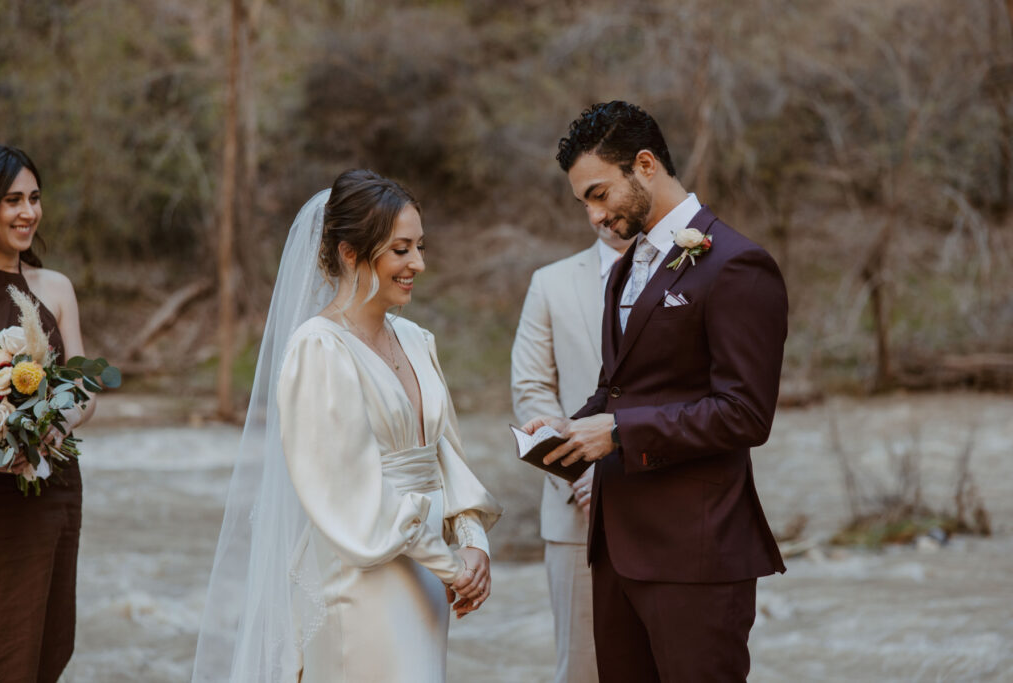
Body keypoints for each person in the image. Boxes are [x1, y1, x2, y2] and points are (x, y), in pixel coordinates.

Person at [193, 169, 501, 683]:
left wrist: (472, 542)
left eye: (419, 247)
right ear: (349, 253)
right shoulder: (319, 348)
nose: (418, 264)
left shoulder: (417, 340)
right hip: (361, 578)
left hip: (429, 577)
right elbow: (349, 489)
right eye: (400, 250)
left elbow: (446, 455)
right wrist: (454, 567)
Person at [523, 101, 788, 682]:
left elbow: (746, 414)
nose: (593, 216)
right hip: (617, 550)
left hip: (695, 553)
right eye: (583, 203)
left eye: (599, 194)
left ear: (645, 165)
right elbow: (620, 389)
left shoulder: (739, 266)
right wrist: (568, 429)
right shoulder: (626, 266)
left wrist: (618, 432)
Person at [0, 145, 96, 683]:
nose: (28, 212)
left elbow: (84, 384)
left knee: (42, 643)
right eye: (13, 200)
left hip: (47, 485)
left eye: (34, 198)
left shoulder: (55, 288)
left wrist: (56, 420)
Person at [510, 220, 630, 683]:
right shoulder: (550, 283)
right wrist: (581, 467)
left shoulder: (687, 272)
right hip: (577, 513)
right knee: (583, 668)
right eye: (587, 202)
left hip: (670, 507)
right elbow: (532, 389)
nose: (599, 214)